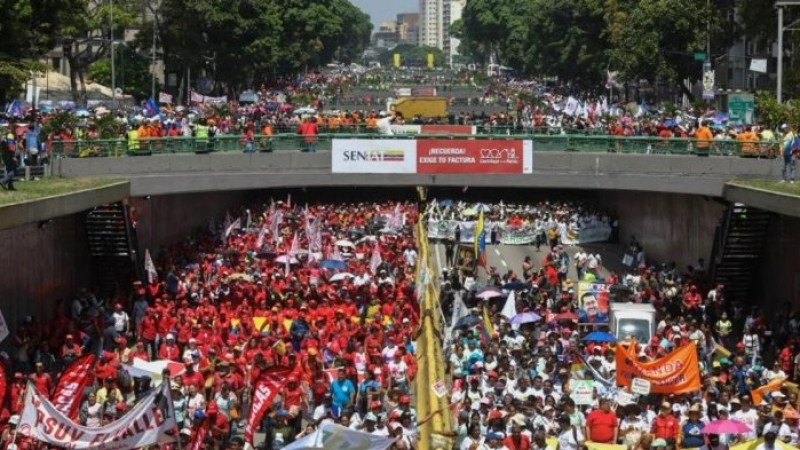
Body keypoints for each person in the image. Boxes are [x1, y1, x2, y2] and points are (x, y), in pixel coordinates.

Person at [1, 123, 18, 191]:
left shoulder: (5, 136)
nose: (16, 131)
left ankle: (10, 186)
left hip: (5, 155)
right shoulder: (10, 135)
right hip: (9, 155)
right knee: (14, 170)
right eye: (15, 129)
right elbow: (11, 147)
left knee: (9, 170)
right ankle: (3, 181)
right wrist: (13, 156)